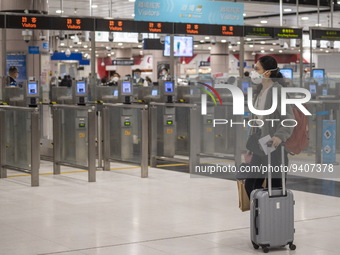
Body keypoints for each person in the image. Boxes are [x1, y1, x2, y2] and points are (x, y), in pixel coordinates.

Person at [244, 56, 295, 198]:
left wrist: (279, 136)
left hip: (273, 145)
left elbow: (289, 118)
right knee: (251, 185)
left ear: (267, 72)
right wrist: (250, 148)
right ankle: (261, 215)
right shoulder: (260, 91)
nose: (253, 72)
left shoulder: (277, 91)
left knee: (276, 188)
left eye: (257, 69)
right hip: (260, 144)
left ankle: (274, 216)